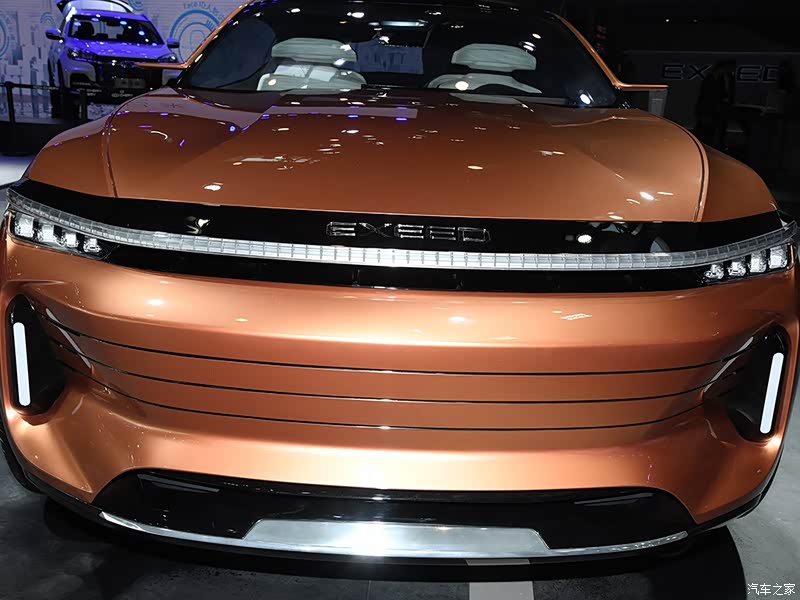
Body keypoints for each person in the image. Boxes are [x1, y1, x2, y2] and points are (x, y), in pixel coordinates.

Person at [694, 59, 736, 148]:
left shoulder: (722, 79)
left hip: (715, 109)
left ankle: (709, 146)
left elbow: (724, 93)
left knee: (711, 129)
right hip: (707, 108)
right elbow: (706, 95)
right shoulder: (710, 79)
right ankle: (700, 145)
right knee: (704, 128)